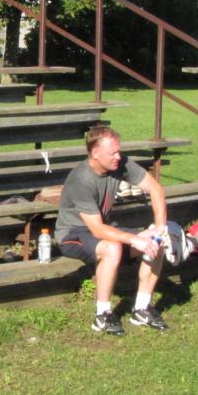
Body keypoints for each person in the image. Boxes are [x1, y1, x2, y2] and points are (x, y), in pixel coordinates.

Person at [54, 124, 170, 336]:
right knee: (112, 248)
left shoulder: (119, 162)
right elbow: (97, 229)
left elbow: (156, 189)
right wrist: (134, 239)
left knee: (156, 243)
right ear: (95, 153)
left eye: (119, 151)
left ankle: (142, 309)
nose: (118, 157)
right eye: (112, 153)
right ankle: (103, 315)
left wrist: (160, 228)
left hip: (104, 228)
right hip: (73, 234)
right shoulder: (80, 179)